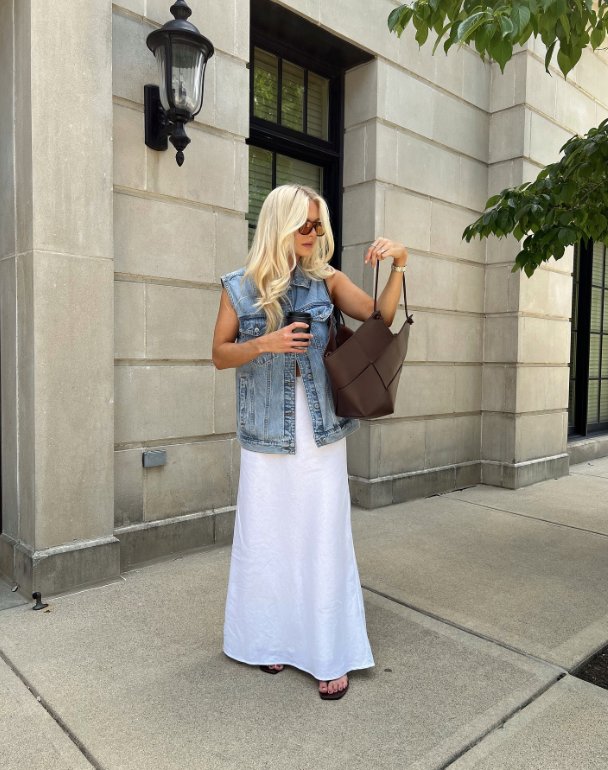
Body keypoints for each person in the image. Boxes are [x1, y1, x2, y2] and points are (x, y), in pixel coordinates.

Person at [212, 183, 408, 699]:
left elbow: (381, 317)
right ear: (280, 224)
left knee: (322, 535)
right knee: (268, 536)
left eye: (318, 224)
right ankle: (270, 639)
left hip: (320, 433)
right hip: (265, 433)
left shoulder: (327, 281)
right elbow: (220, 354)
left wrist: (400, 265)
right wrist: (266, 343)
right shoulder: (239, 287)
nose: (313, 233)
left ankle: (327, 650)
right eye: (304, 224)